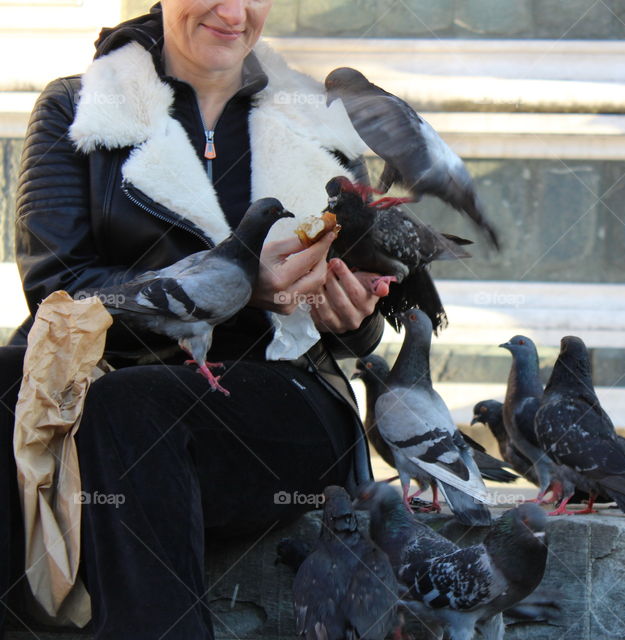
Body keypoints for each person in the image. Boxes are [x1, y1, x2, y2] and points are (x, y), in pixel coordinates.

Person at [1, 1, 390, 638]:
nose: (233, 11)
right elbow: (57, 292)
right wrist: (234, 285)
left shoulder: (320, 122)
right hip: (105, 373)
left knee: (129, 409)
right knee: (29, 383)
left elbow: (367, 310)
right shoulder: (79, 107)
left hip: (276, 392)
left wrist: (353, 318)